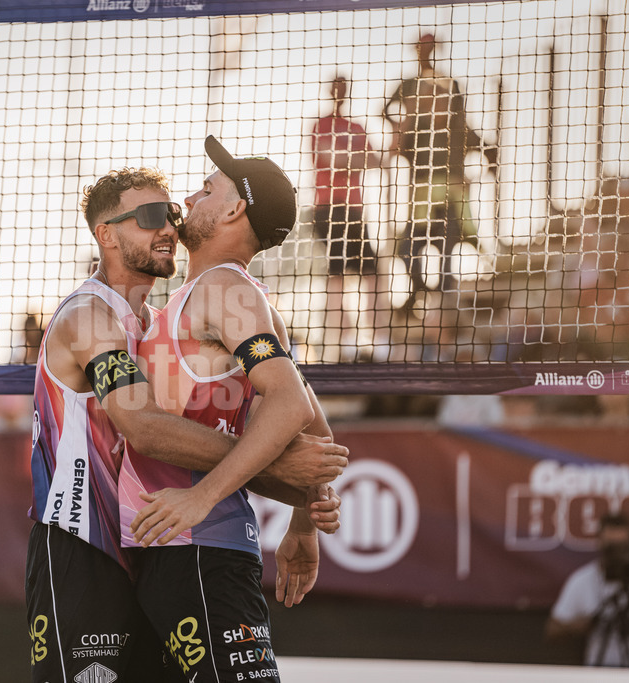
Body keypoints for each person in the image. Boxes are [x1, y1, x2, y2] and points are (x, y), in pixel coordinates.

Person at [27, 167, 347, 682]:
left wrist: (302, 503)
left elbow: (305, 428)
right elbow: (145, 427)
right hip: (81, 540)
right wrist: (281, 478)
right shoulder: (90, 317)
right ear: (106, 234)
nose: (170, 224)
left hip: (156, 539)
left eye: (171, 212)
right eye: (152, 215)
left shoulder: (168, 320)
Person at [121, 137, 341, 683]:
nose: (190, 198)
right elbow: (318, 430)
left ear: (234, 209)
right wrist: (304, 522)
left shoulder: (226, 290)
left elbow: (289, 402)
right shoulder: (224, 296)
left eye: (207, 189)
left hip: (199, 546)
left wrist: (201, 497)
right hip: (165, 545)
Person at [383, 33, 495, 301]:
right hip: (421, 195)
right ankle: (420, 294)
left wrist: (477, 172)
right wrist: (401, 128)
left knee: (447, 249)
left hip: (450, 196)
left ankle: (444, 299)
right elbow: (387, 115)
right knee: (409, 249)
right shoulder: (412, 105)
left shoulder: (456, 123)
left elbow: (483, 145)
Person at [311, 75, 384, 361]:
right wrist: (355, 158)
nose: (339, 93)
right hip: (328, 209)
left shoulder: (356, 127)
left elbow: (374, 160)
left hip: (354, 211)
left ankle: (377, 339)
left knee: (371, 271)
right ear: (330, 91)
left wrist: (347, 158)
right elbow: (331, 159)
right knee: (337, 273)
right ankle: (343, 342)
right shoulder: (320, 125)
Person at [546, 511, 629, 668]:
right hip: (601, 672)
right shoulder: (582, 579)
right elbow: (553, 630)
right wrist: (586, 625)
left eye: (623, 547)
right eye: (612, 548)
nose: (618, 554)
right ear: (600, 542)